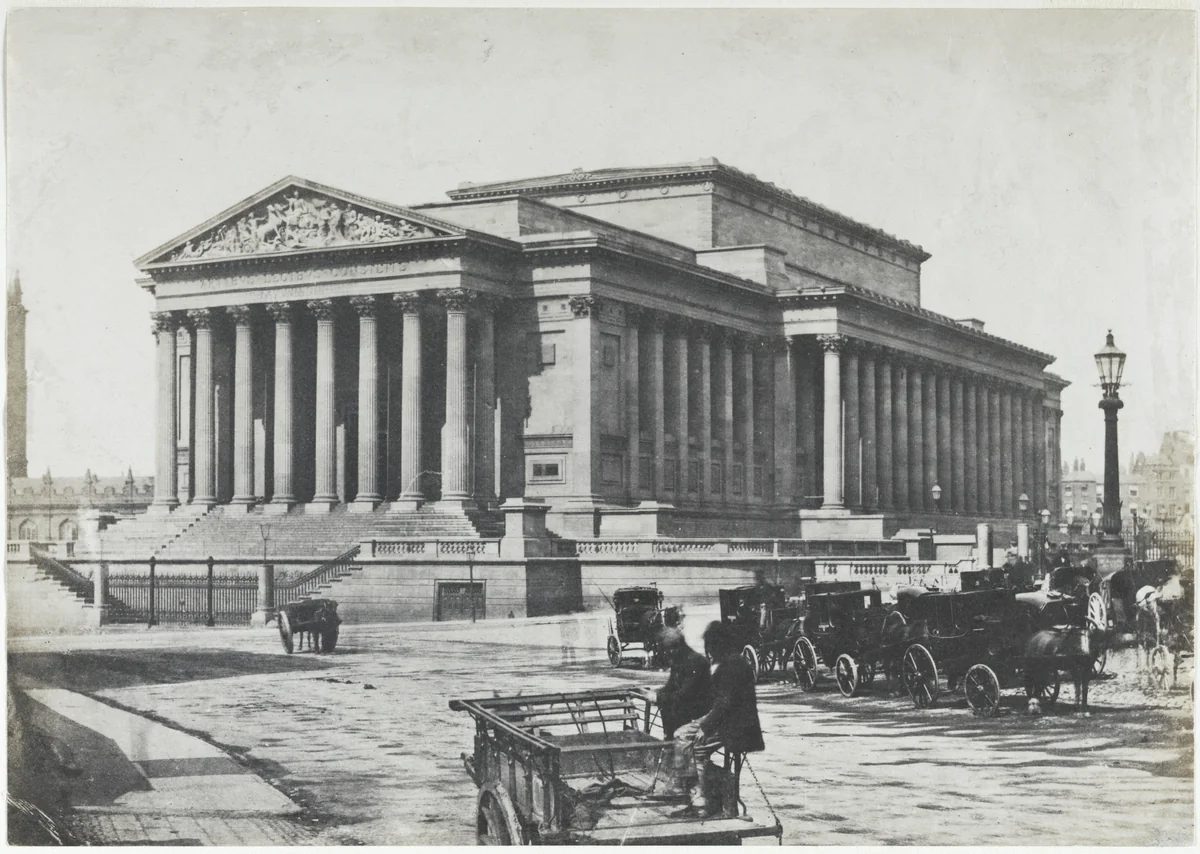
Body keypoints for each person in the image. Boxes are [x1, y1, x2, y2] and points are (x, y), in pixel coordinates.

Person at [672, 621, 764, 817]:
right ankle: (698, 794)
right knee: (682, 735)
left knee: (690, 743)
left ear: (717, 644)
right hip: (728, 721)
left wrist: (704, 726)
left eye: (711, 646)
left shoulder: (733, 665)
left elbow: (725, 702)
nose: (709, 651)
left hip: (736, 725)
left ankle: (703, 798)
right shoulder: (731, 661)